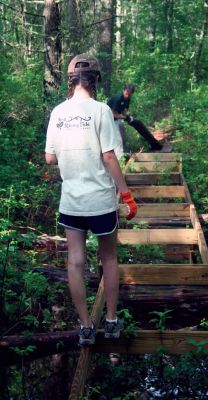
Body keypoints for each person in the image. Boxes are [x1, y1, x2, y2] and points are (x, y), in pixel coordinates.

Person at [45, 54, 137, 346]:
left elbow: (49, 157)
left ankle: (85, 327)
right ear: (96, 79)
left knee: (75, 262)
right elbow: (109, 156)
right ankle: (110, 322)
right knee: (108, 258)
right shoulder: (100, 111)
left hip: (72, 202)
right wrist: (126, 195)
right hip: (100, 201)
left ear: (71, 81)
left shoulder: (58, 112)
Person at [107, 84, 135, 158]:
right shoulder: (118, 98)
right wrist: (125, 117)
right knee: (118, 138)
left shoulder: (128, 99)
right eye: (127, 93)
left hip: (116, 119)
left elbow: (124, 111)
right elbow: (113, 114)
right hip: (108, 119)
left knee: (122, 132)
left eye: (130, 93)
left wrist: (128, 116)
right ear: (124, 90)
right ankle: (120, 158)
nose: (128, 95)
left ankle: (124, 153)